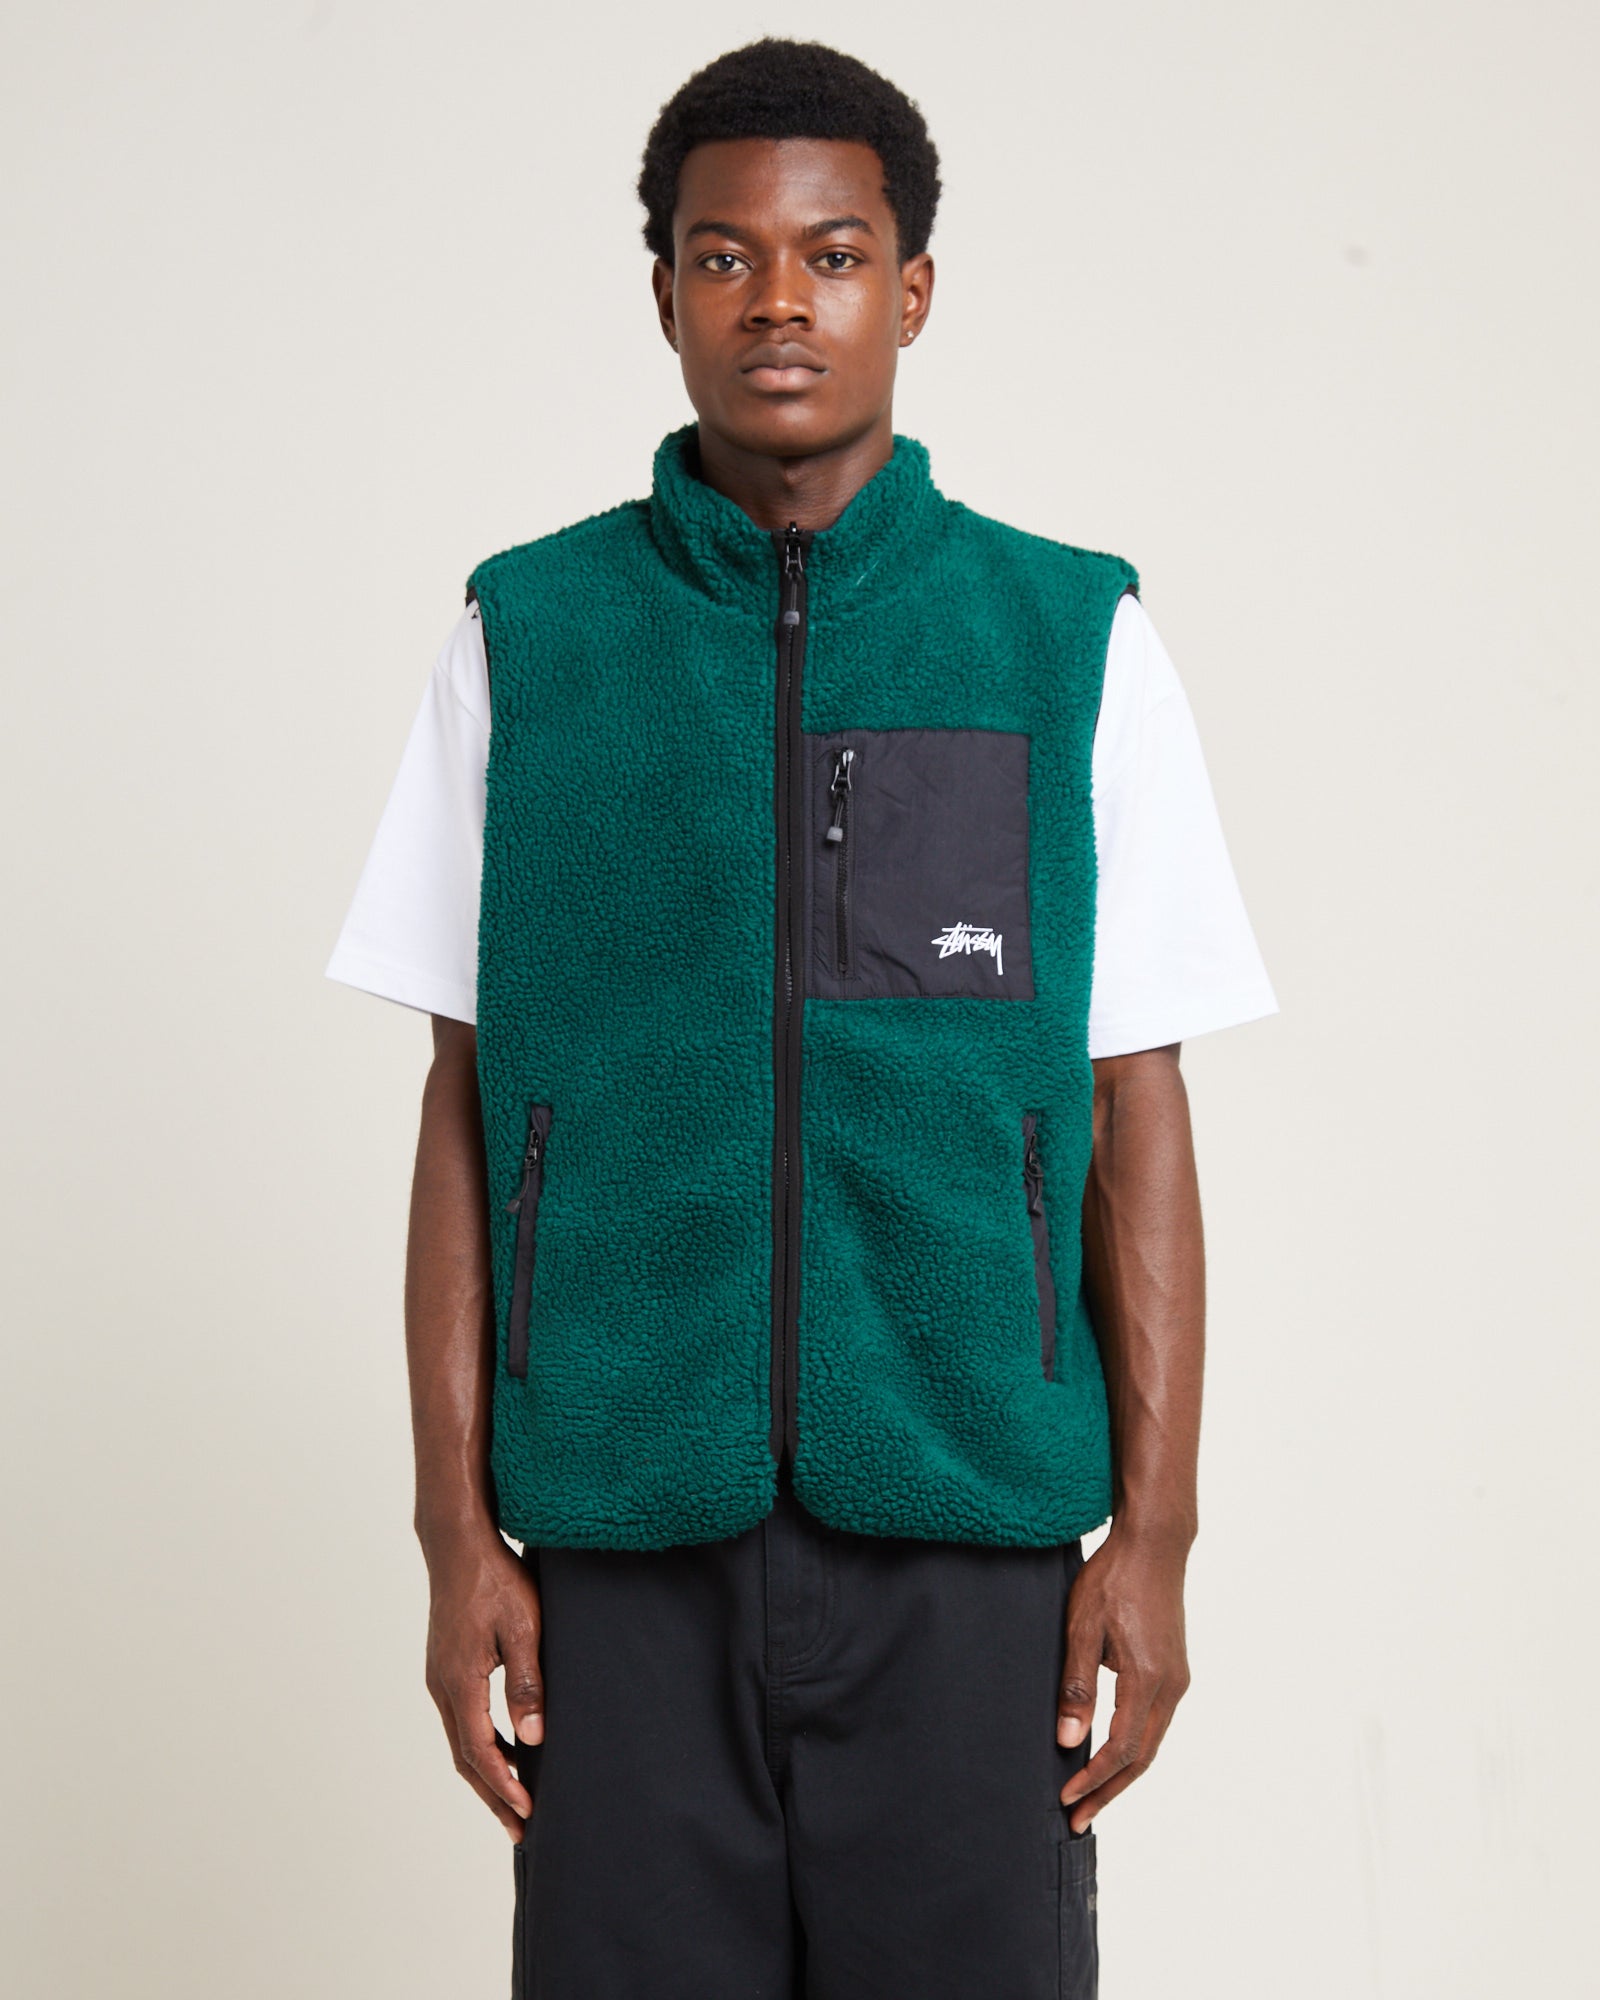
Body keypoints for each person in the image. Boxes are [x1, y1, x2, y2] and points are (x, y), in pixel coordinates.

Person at [326, 37, 1277, 1999]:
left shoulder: (1066, 636)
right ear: (663, 292)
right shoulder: (527, 639)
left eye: (832, 255)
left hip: (967, 1533)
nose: (778, 300)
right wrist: (452, 1537)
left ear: (909, 292)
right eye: (723, 256)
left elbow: (1136, 1098)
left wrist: (1158, 1534)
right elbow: (462, 1106)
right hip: (619, 1534)